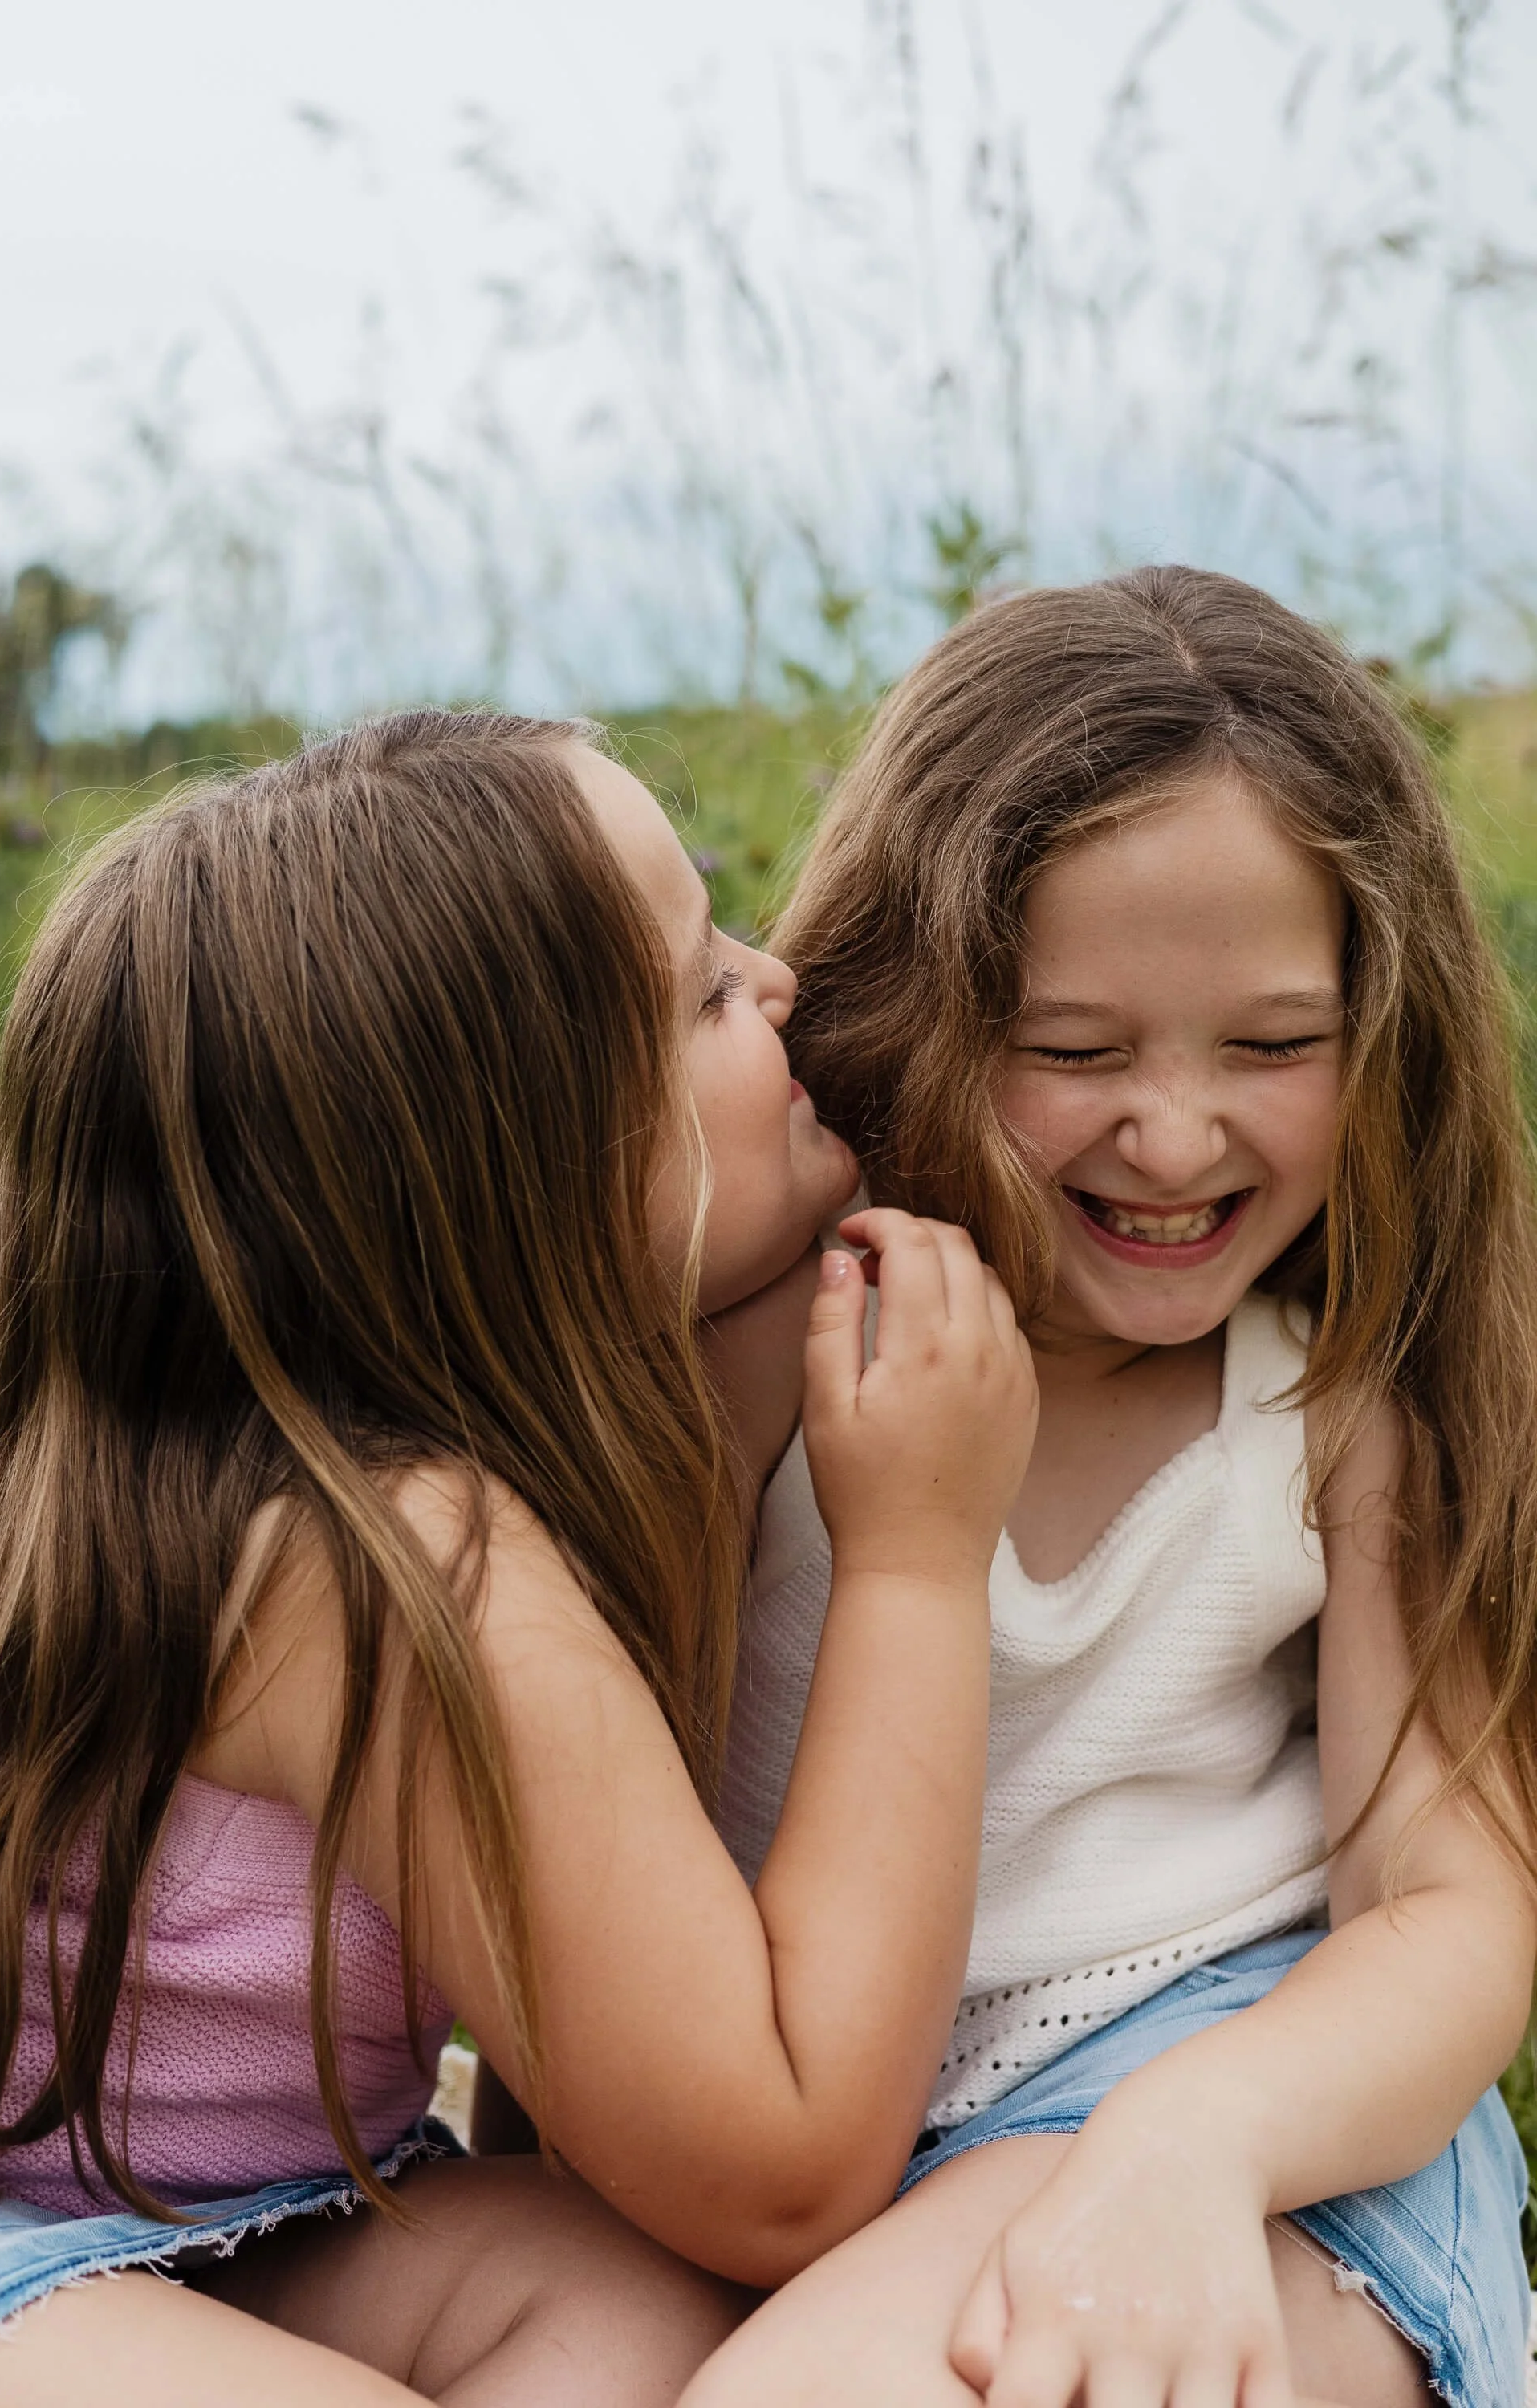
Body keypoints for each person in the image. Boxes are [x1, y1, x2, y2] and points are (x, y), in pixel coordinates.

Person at [0, 709, 1038, 2404]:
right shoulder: (380, 1560)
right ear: (527, 1167)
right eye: (702, 995)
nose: (783, 984)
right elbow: (787, 2163)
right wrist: (913, 1561)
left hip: (242, 2223)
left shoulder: (217, 1454)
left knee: (633, 2315)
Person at [691, 568, 1537, 2408]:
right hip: (815, 2139)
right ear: (917, 1004)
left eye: (1274, 1046)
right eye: (1072, 1053)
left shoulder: (1330, 1404)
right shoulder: (771, 1348)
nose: (1173, 1135)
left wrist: (1188, 2144)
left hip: (1271, 2114)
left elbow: (1448, 1910)